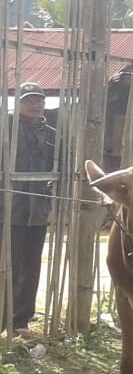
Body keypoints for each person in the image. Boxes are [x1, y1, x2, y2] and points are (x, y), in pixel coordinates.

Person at [2, 83, 56, 339]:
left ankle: (21, 320)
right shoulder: (6, 129)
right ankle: (4, 318)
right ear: (18, 103)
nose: (36, 105)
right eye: (30, 100)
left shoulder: (52, 134)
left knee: (32, 265)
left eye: (39, 101)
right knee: (7, 264)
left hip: (38, 210)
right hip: (9, 209)